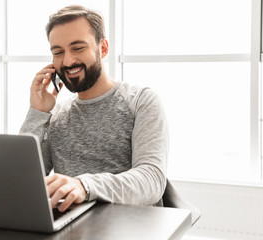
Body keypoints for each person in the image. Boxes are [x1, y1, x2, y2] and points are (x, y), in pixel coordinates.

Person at [20, 5, 168, 213]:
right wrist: (38, 113)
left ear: (103, 48)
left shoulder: (141, 101)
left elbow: (151, 180)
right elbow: (22, 181)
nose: (68, 61)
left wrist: (84, 186)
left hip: (130, 226)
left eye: (78, 48)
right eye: (58, 52)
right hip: (70, 226)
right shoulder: (55, 116)